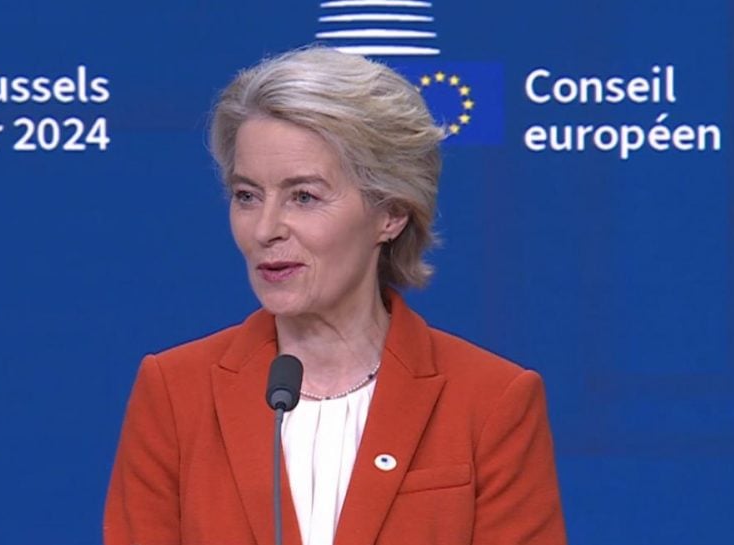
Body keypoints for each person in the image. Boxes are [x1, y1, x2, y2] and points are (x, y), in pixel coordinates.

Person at [104, 46, 566, 545]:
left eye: (304, 196)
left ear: (391, 213)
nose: (264, 229)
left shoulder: (492, 400)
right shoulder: (176, 393)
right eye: (247, 196)